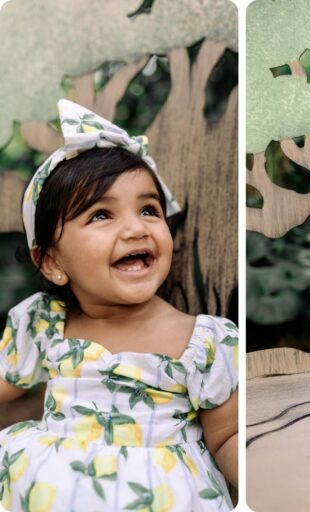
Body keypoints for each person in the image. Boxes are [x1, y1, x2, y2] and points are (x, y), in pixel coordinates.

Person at [0, 100, 238, 511]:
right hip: (49, 488)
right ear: (53, 262)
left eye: (149, 209)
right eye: (100, 215)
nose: (134, 227)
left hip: (163, 495)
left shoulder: (204, 342)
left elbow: (227, 436)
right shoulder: (45, 323)